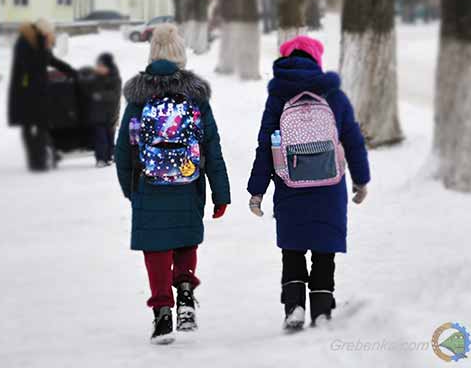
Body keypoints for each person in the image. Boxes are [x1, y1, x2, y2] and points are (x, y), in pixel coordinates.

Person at [115, 24, 231, 345]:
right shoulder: (195, 98)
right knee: (184, 242)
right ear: (181, 55)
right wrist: (220, 194)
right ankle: (185, 296)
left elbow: (124, 148)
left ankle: (163, 313)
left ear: (152, 54)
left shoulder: (138, 100)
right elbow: (212, 146)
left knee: (156, 249)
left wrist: (131, 189)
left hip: (148, 186)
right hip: (188, 184)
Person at [247, 36, 370, 329]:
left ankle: (295, 307)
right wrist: (361, 180)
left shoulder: (277, 98)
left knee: (293, 248)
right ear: (316, 59)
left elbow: (266, 145)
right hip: (330, 186)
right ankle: (322, 309)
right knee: (324, 247)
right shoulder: (334, 95)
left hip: (290, 184)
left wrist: (257, 191)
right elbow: (353, 139)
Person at [8, 19, 77, 172]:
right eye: (47, 34)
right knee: (30, 125)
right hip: (25, 92)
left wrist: (71, 71)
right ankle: (35, 161)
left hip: (38, 91)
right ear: (41, 32)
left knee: (41, 125)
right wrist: (43, 44)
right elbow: (33, 65)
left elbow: (51, 60)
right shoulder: (25, 42)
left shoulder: (39, 41)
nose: (49, 37)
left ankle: (39, 158)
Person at [91, 53, 122, 167]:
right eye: (98, 65)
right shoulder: (96, 77)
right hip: (98, 113)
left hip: (110, 113)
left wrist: (99, 95)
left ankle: (109, 156)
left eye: (101, 66)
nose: (99, 68)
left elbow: (114, 95)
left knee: (109, 135)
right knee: (100, 136)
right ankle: (101, 158)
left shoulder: (114, 78)